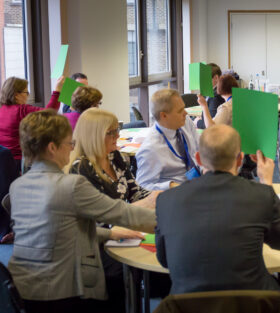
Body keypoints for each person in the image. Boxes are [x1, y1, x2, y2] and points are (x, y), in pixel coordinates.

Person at [8, 110, 158, 313]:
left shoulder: (18, 186)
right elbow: (123, 213)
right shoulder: (71, 185)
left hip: (25, 287)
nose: (72, 150)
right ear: (53, 148)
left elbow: (58, 231)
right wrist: (172, 220)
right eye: (69, 144)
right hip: (66, 290)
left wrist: (111, 233)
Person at [155, 124, 280, 294]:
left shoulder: (166, 200)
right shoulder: (260, 195)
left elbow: (164, 260)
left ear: (198, 159)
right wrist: (267, 184)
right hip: (250, 303)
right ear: (239, 159)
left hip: (186, 303)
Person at [136, 88, 201, 190]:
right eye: (180, 111)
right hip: (177, 193)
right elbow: (143, 187)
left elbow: (199, 148)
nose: (186, 113)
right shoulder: (150, 149)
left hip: (198, 181)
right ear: (164, 115)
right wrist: (171, 186)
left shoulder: (185, 122)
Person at [0, 77, 64, 166]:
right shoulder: (21, 110)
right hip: (18, 162)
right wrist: (57, 91)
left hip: (3, 160)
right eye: (26, 92)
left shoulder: (2, 109)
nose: (28, 96)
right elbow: (49, 113)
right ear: (16, 95)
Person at [196, 63, 225, 129]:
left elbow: (210, 124)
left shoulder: (215, 97)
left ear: (216, 78)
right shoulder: (212, 92)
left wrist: (197, 122)